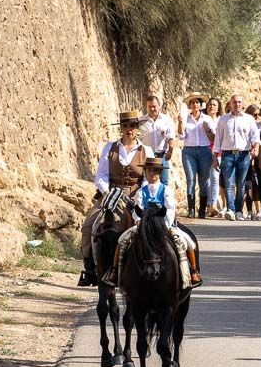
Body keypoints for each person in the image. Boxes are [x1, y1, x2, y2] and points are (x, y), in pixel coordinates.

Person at [104, 158, 201, 289]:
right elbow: (137, 210)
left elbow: (170, 210)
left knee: (188, 242)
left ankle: (193, 271)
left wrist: (164, 226)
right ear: (145, 172)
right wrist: (139, 222)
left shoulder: (166, 190)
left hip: (164, 226)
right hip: (144, 226)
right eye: (149, 170)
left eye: (155, 171)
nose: (152, 174)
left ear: (160, 173)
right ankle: (115, 271)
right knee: (122, 240)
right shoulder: (141, 192)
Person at [78, 110, 149, 286]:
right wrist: (106, 192)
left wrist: (140, 195)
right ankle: (89, 269)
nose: (129, 130)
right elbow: (101, 174)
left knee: (152, 226)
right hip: (112, 194)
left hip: (136, 194)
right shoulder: (110, 148)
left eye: (132, 126)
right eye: (125, 126)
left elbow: (149, 178)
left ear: (137, 128)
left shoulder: (146, 150)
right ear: (121, 128)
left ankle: (152, 266)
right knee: (88, 226)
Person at [216, 94, 261, 221]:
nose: (237, 104)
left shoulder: (249, 119)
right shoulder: (223, 120)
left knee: (241, 185)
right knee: (229, 184)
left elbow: (255, 137)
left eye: (240, 102)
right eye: (235, 102)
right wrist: (215, 157)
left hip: (243, 155)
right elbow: (218, 139)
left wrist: (256, 147)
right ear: (230, 104)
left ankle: (239, 210)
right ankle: (231, 209)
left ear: (243, 104)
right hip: (227, 155)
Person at [178, 93, 215, 220]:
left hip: (205, 150)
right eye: (192, 103)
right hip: (189, 151)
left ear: (200, 105)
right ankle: (191, 209)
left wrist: (208, 130)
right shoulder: (186, 119)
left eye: (197, 103)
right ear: (190, 106)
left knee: (204, 181)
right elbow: (181, 136)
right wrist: (180, 123)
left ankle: (202, 210)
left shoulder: (207, 119)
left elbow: (214, 139)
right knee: (191, 180)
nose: (194, 105)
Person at [139, 95, 175, 186]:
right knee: (147, 182)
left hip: (162, 155)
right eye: (149, 107)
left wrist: (170, 150)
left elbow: (171, 137)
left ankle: (163, 200)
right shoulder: (141, 121)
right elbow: (137, 139)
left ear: (159, 106)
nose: (152, 109)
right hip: (147, 157)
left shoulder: (166, 120)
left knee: (164, 181)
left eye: (154, 106)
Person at [204, 97, 224, 217]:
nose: (212, 106)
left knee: (215, 178)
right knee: (206, 179)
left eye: (214, 105)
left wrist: (210, 133)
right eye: (210, 104)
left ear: (218, 108)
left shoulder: (221, 120)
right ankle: (208, 205)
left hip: (219, 151)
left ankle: (213, 204)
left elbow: (219, 137)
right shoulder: (203, 119)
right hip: (205, 150)